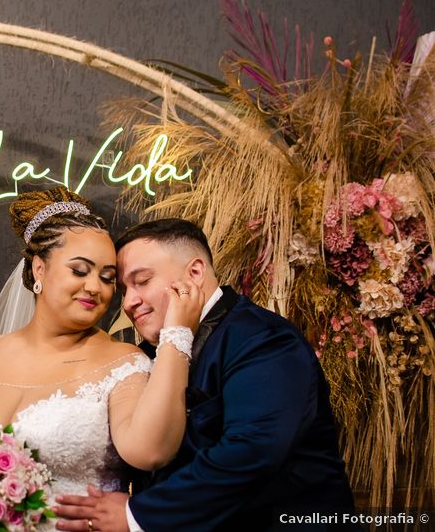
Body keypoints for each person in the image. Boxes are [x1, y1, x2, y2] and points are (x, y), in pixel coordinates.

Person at [56, 218, 355, 531]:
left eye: (141, 281)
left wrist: (136, 515)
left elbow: (250, 453)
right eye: (123, 290)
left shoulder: (265, 340)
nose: (129, 302)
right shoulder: (145, 356)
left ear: (195, 273)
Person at [0, 188, 204, 530]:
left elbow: (151, 451)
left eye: (107, 278)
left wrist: (177, 335)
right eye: (80, 271)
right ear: (40, 269)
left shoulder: (124, 363)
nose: (96, 287)